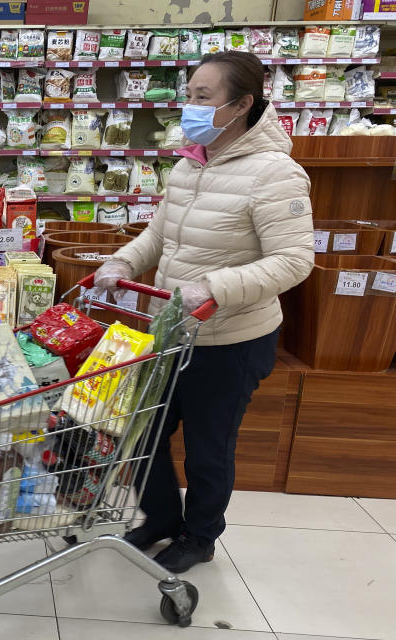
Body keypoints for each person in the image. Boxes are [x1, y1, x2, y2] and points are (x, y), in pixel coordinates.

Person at [94, 51, 315, 573]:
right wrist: (123, 259)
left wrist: (218, 285)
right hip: (173, 328)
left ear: (241, 104)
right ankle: (163, 519)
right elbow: (160, 232)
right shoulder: (192, 161)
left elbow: (294, 260)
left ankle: (200, 536)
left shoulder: (275, 174)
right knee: (144, 429)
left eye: (202, 97)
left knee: (208, 448)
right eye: (188, 95)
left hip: (232, 338)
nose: (189, 107)